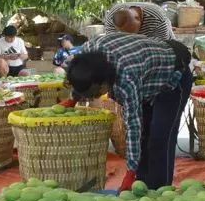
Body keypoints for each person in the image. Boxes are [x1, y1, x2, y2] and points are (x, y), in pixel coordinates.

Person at [65, 33, 193, 191]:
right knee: (145, 136)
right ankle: (142, 185)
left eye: (96, 93)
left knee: (160, 138)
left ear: (105, 80)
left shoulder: (126, 76)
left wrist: (130, 172)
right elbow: (82, 77)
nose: (94, 98)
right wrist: (72, 100)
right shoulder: (87, 56)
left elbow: (133, 126)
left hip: (173, 76)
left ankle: (159, 192)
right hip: (147, 77)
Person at [104, 1, 175, 40]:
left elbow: (162, 48)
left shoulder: (158, 20)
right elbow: (113, 45)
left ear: (138, 18)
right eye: (124, 34)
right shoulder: (111, 19)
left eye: (133, 32)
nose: (131, 37)